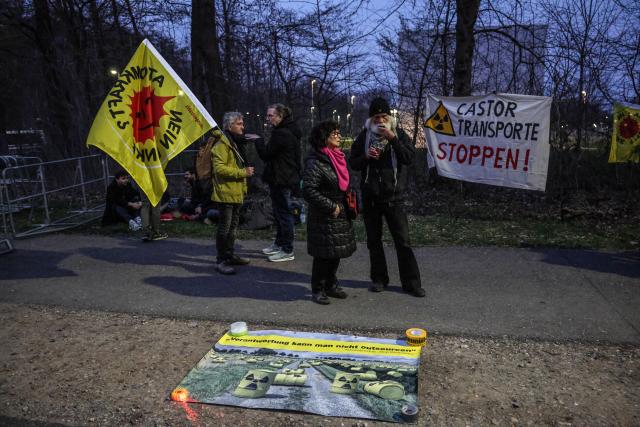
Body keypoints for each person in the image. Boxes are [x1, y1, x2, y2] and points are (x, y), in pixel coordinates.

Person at [348, 97, 425, 298]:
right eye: (376, 117)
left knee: (403, 242)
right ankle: (379, 279)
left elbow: (409, 158)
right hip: (371, 197)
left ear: (389, 117)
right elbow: (353, 163)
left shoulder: (398, 133)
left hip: (394, 197)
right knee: (374, 241)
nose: (380, 121)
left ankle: (412, 284)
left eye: (383, 116)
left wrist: (393, 139)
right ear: (371, 119)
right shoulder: (364, 136)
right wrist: (366, 157)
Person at [303, 121, 356, 305]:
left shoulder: (338, 157)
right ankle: (318, 289)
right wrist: (330, 206)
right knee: (323, 255)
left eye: (338, 132)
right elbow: (309, 190)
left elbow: (345, 183)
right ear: (324, 138)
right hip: (324, 215)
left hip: (340, 213)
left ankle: (331, 285)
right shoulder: (316, 161)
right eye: (334, 133)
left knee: (336, 253)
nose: (338, 136)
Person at [254, 103, 302, 262]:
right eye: (267, 115)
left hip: (281, 178)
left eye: (271, 115)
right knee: (280, 213)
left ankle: (287, 249)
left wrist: (259, 141)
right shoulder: (290, 130)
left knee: (284, 214)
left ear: (280, 116)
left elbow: (266, 155)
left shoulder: (282, 133)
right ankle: (279, 244)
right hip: (284, 177)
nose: (268, 119)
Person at [211, 112, 255, 274]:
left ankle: (229, 255)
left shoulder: (234, 142)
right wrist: (243, 173)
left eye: (242, 123)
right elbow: (219, 169)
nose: (242, 127)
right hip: (225, 192)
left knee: (233, 227)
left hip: (236, 192)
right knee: (225, 228)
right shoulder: (222, 144)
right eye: (239, 124)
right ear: (230, 126)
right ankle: (221, 260)